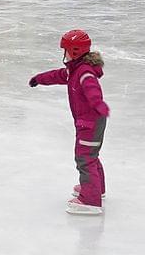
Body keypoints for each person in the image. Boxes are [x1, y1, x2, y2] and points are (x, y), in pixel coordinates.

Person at [28, 29, 109, 216]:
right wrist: (39, 79)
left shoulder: (84, 74)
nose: (63, 54)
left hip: (90, 123)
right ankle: (97, 189)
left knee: (85, 158)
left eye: (65, 50)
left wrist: (98, 104)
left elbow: (92, 90)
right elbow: (57, 75)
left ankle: (91, 200)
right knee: (90, 155)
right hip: (88, 122)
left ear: (74, 51)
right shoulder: (74, 70)